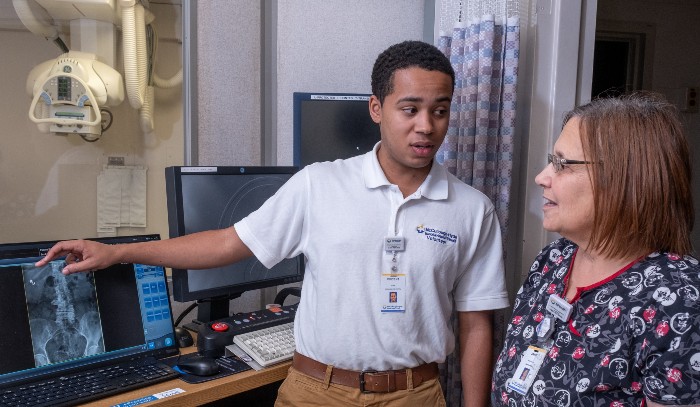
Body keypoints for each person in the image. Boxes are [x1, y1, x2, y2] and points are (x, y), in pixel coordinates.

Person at [37, 40, 509, 406]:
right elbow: (226, 244)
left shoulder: (471, 209)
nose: (426, 126)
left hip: (415, 394)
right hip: (317, 390)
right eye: (410, 109)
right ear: (376, 109)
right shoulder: (319, 184)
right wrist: (119, 251)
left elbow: (475, 326)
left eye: (440, 110)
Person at [491, 92, 700, 406]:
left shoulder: (677, 299)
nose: (542, 177)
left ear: (625, 178)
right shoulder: (555, 258)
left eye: (562, 164)